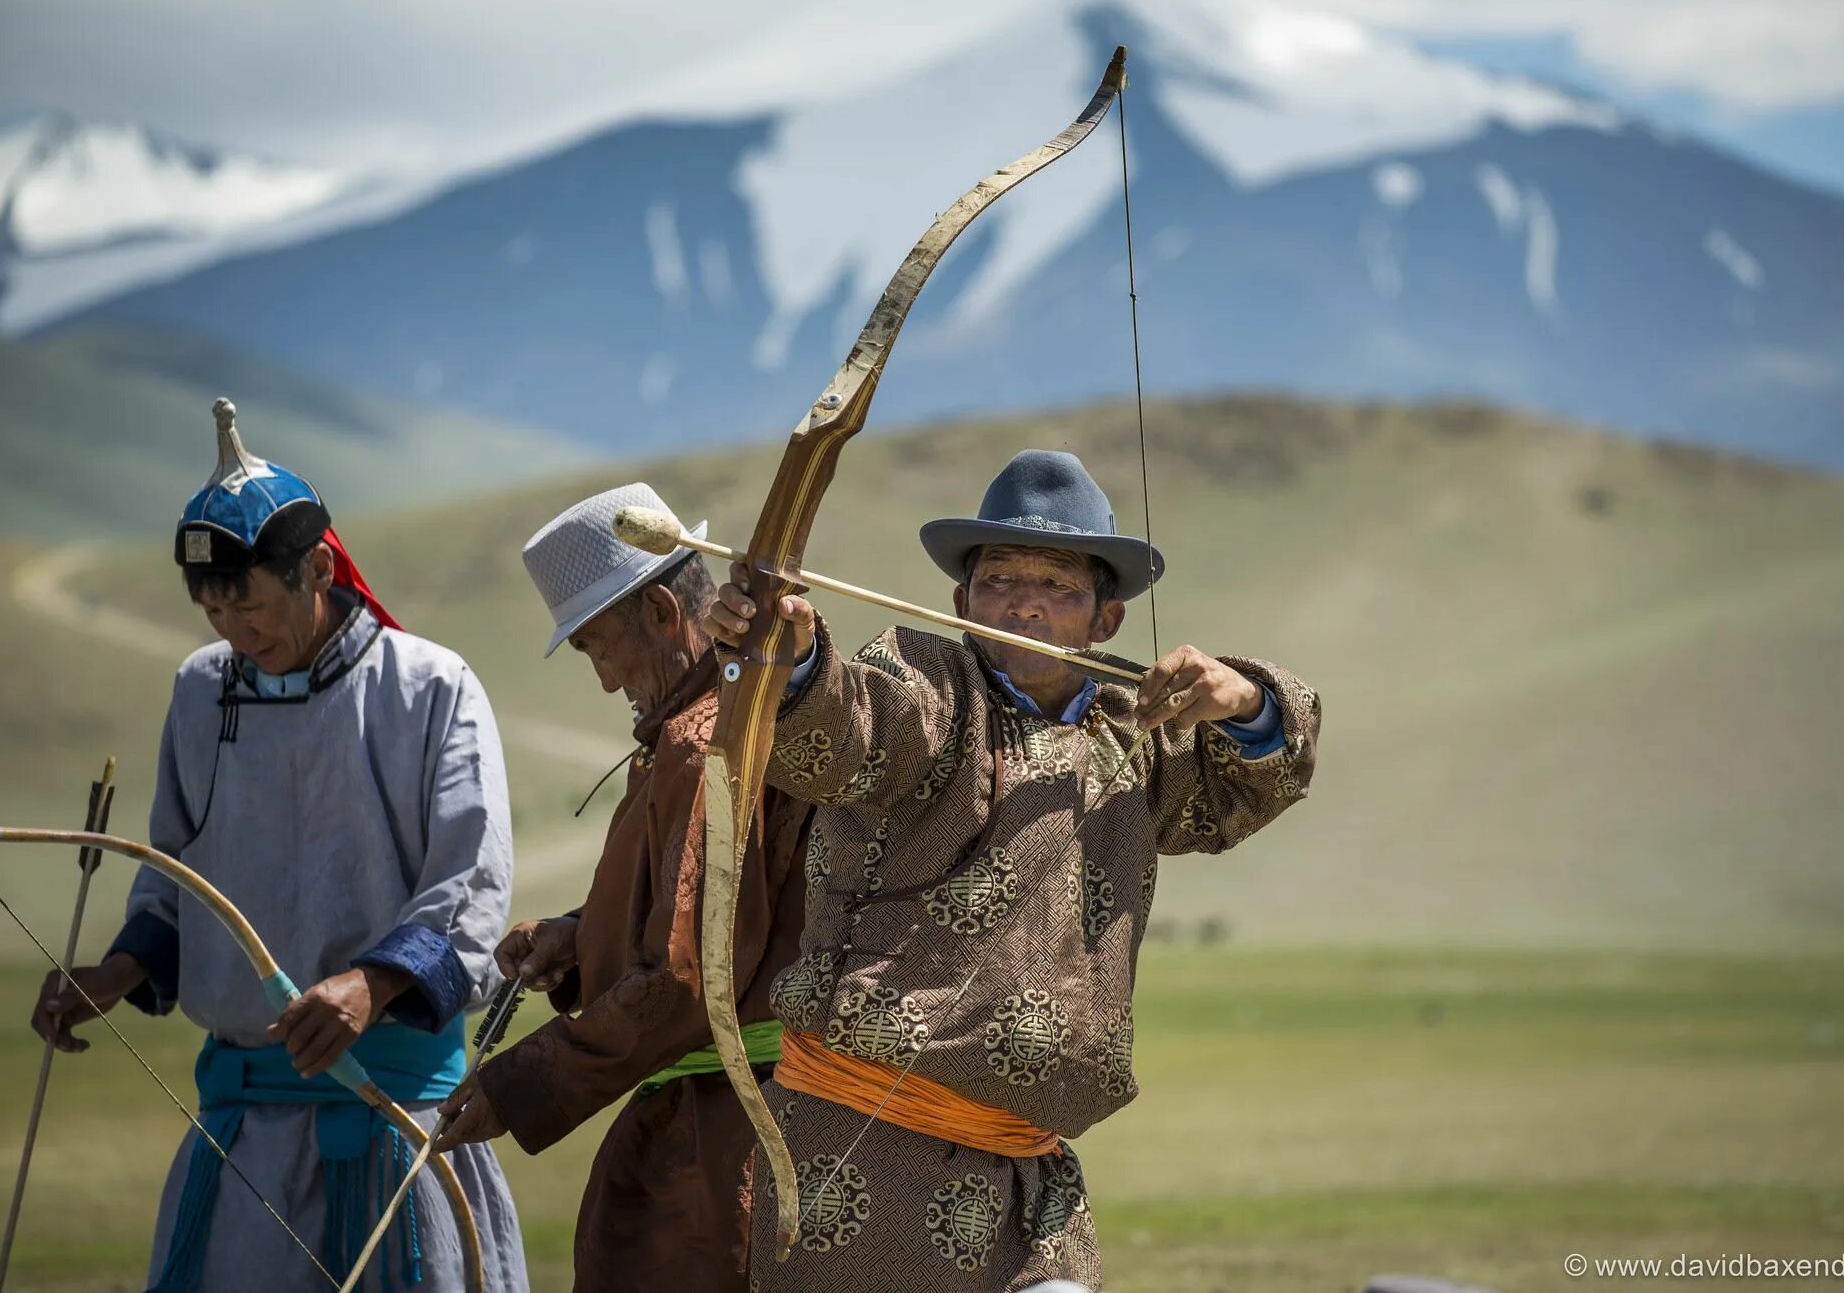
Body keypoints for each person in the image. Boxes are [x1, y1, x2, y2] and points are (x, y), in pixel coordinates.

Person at [705, 448, 1320, 1289]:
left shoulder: (1135, 730)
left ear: (1104, 619)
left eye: (1059, 585)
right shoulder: (927, 682)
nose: (1025, 603)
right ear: (962, 601)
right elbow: (848, 725)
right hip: (858, 1166)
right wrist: (792, 657)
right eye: (999, 581)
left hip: (1033, 1185)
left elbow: (1249, 780)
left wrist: (1243, 700)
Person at [27, 399, 527, 1292]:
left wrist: (372, 984)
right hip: (244, 1140)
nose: (234, 629)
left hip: (396, 1125)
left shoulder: (432, 688)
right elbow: (175, 877)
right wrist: (116, 975)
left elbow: (472, 886)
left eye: (249, 600)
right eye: (212, 606)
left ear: (319, 570)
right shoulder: (199, 693)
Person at [434, 482, 812, 1292]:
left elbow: (686, 980)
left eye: (600, 647)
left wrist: (524, 1081)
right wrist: (579, 938)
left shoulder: (703, 739)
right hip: (730, 1128)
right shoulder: (709, 727)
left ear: (664, 617)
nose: (606, 680)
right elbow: (694, 914)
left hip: (726, 1142)